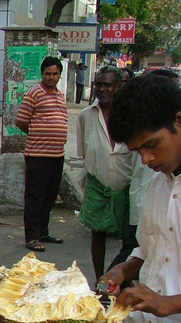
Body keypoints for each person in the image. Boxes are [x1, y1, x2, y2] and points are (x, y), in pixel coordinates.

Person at [100, 74, 181, 323]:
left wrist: (169, 303)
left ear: (179, 120)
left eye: (152, 145)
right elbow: (152, 248)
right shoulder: (159, 183)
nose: (146, 159)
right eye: (138, 151)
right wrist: (126, 268)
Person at [77, 66, 132, 280]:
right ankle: (99, 281)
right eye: (98, 84)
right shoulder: (85, 116)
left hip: (125, 186)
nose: (102, 89)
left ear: (118, 86)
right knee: (97, 234)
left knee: (129, 239)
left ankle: (121, 280)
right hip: (97, 184)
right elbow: (83, 152)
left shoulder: (131, 115)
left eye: (107, 85)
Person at [15, 56, 68, 252]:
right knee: (35, 196)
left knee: (50, 195)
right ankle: (32, 236)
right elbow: (21, 120)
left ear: (59, 75)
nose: (51, 77)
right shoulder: (34, 93)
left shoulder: (60, 95)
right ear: (42, 74)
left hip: (57, 155)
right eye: (48, 74)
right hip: (38, 154)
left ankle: (43, 232)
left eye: (55, 74)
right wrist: (39, 132)